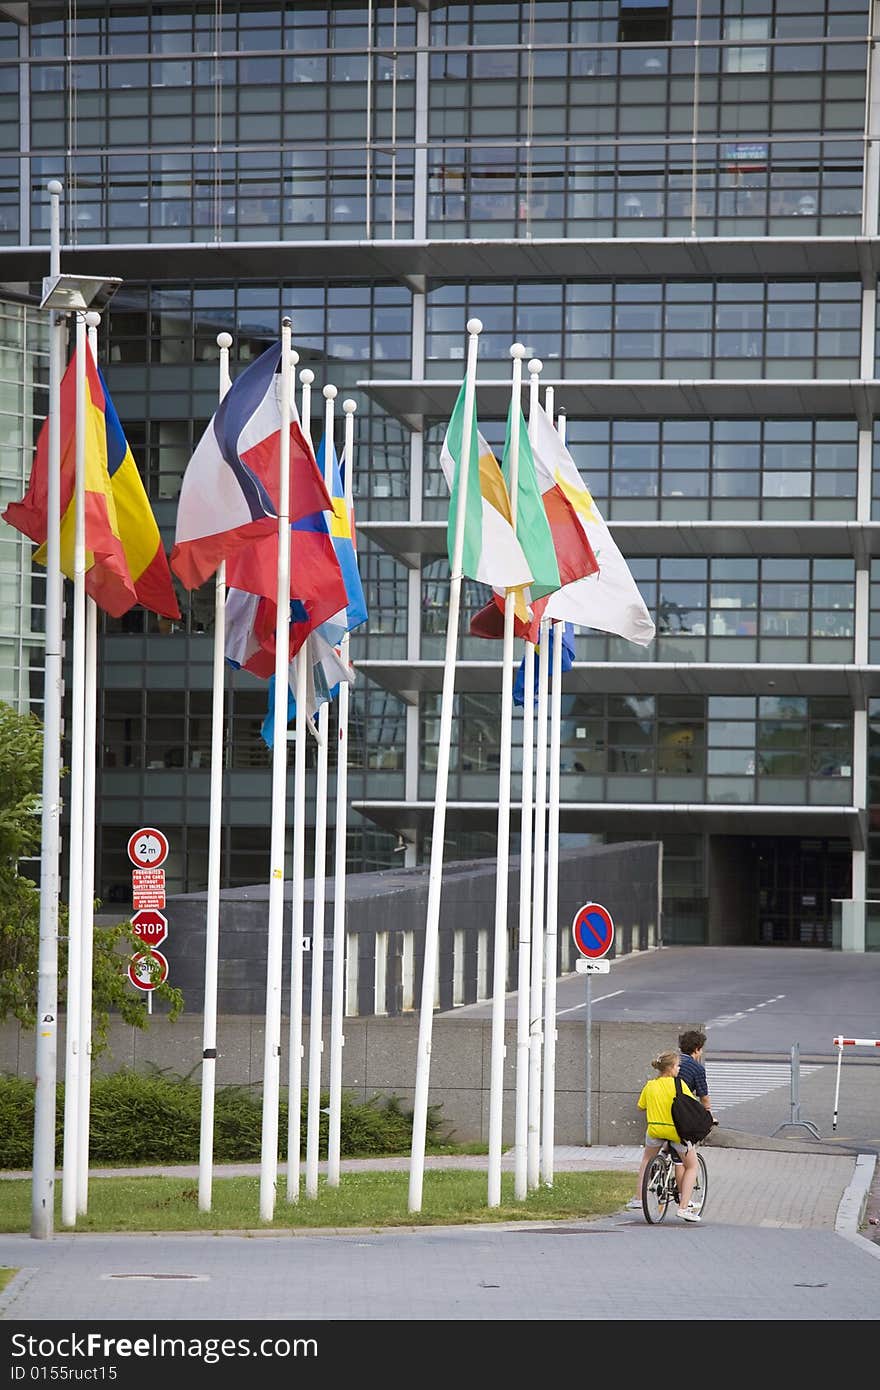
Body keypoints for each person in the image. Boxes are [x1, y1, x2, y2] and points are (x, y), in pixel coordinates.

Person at [626, 1049, 702, 1222]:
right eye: (677, 1066)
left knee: (646, 1160)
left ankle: (639, 1198)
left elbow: (641, 1106)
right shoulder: (679, 1085)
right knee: (691, 1165)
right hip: (675, 1132)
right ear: (670, 1068)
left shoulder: (650, 1085)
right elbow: (692, 1106)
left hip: (654, 1129)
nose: (679, 1070)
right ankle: (684, 1207)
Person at [678, 1028, 713, 1114]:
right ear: (697, 1049)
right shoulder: (697, 1068)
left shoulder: (673, 1061)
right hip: (681, 1107)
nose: (701, 1052)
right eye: (701, 1049)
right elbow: (704, 1097)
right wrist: (709, 1114)